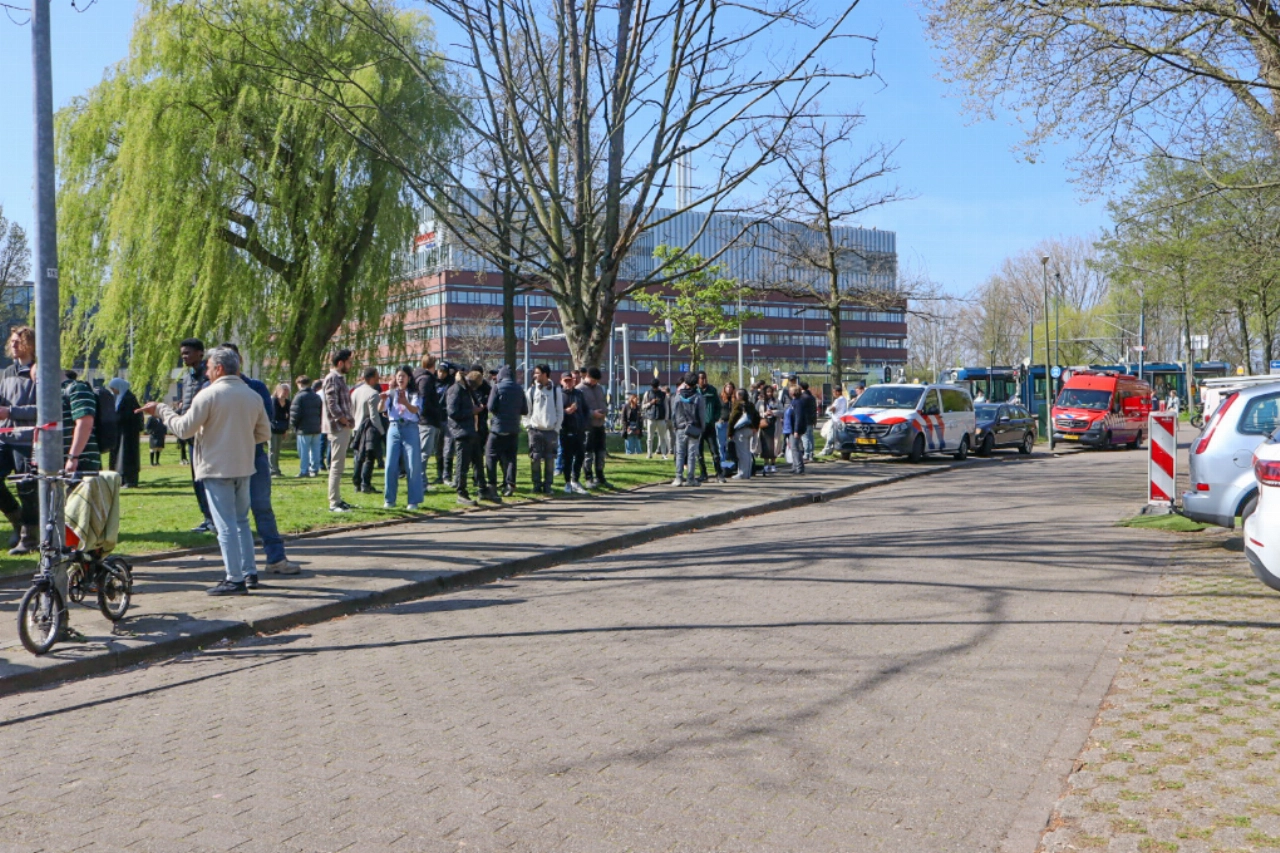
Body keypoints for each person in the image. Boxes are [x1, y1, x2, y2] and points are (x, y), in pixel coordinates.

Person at [141, 346, 271, 595]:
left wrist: (162, 410)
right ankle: (249, 572)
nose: (207, 372)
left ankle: (234, 578)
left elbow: (184, 429)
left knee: (225, 525)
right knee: (242, 521)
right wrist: (239, 441)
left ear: (219, 368)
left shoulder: (208, 395)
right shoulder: (252, 395)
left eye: (209, 367)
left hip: (215, 467)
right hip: (244, 466)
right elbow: (264, 433)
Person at [220, 343, 302, 577]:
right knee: (230, 516)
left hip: (254, 454)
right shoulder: (211, 389)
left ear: (240, 360)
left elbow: (264, 420)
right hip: (225, 458)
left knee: (261, 506)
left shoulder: (255, 387)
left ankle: (275, 558)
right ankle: (237, 568)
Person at [0, 326, 39, 553]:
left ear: (31, 344)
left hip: (28, 440)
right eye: (12, 341)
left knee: (27, 489)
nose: (13, 344)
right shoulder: (7, 372)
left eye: (19, 341)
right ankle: (17, 521)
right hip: (4, 438)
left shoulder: (39, 371)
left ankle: (29, 539)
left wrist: (11, 412)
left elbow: (46, 408)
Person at [177, 338, 214, 533]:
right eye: (182, 353)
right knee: (196, 479)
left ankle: (214, 517)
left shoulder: (209, 376)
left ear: (200, 353)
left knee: (208, 477)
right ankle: (207, 517)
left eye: (188, 353)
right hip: (191, 435)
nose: (184, 356)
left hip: (206, 435)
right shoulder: (187, 377)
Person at [380, 365, 424, 510]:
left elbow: (415, 410)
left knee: (413, 465)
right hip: (394, 428)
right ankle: (389, 500)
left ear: (409, 378)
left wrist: (405, 402)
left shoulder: (414, 394)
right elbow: (381, 409)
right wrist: (382, 401)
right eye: (398, 376)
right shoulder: (391, 393)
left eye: (403, 376)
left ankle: (413, 501)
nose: (400, 378)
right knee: (390, 465)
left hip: (410, 428)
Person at [321, 349, 356, 513]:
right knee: (336, 465)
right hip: (338, 428)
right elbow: (332, 403)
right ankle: (334, 502)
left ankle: (337, 499)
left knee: (339, 465)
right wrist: (344, 420)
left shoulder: (339, 378)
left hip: (342, 427)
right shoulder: (332, 378)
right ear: (340, 363)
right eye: (349, 362)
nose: (351, 365)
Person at [486, 365, 528, 498]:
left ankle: (492, 484)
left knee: (491, 455)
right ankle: (510, 484)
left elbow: (490, 407)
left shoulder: (497, 387)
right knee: (511, 458)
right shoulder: (519, 389)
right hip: (513, 428)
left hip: (498, 428)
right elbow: (525, 410)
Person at [446, 367, 484, 506]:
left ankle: (483, 489)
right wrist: (471, 411)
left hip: (470, 430)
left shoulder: (466, 390)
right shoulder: (456, 390)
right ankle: (461, 492)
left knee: (478, 462)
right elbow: (452, 412)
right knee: (462, 464)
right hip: (461, 431)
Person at [525, 364, 562, 495]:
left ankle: (548, 486)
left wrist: (556, 429)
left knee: (550, 460)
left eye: (538, 373)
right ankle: (536, 485)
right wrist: (528, 427)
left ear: (545, 374)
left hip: (551, 431)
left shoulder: (556, 391)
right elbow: (527, 411)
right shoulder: (531, 390)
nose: (535, 375)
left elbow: (560, 412)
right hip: (535, 430)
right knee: (535, 459)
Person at [351, 367, 384, 495]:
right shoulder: (373, 393)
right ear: (372, 378)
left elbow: (352, 411)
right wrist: (381, 431)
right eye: (377, 375)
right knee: (369, 457)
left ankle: (357, 483)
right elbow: (374, 416)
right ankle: (366, 484)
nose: (378, 378)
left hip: (356, 427)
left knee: (358, 457)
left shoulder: (355, 392)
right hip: (368, 428)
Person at [106, 377, 143, 487]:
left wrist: (116, 418)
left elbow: (132, 416)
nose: (113, 391)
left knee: (127, 457)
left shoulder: (129, 398)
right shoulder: (119, 398)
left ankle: (129, 480)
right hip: (120, 433)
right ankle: (119, 479)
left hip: (128, 435)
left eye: (114, 388)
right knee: (118, 457)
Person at [670, 374, 705, 487]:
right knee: (692, 454)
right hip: (694, 428)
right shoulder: (698, 397)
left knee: (680, 453)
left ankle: (678, 478)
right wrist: (702, 428)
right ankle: (690, 478)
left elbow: (674, 413)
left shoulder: (678, 396)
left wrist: (675, 425)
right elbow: (702, 415)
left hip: (680, 427)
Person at [576, 367, 609, 488]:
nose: (595, 383)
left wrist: (604, 410)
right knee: (588, 452)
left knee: (601, 451)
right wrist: (592, 413)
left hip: (600, 424)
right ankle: (588, 477)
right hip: (587, 426)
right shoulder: (579, 389)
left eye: (597, 381)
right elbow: (579, 408)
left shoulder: (599, 388)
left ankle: (600, 476)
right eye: (593, 380)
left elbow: (603, 401)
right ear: (588, 377)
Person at [559, 372, 589, 494]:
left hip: (579, 430)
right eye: (565, 381)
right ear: (561, 382)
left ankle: (575, 480)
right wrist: (565, 412)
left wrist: (584, 423)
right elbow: (555, 411)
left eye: (570, 380)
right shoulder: (559, 395)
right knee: (567, 457)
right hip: (566, 430)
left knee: (580, 455)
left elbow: (586, 410)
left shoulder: (579, 394)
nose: (568, 383)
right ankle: (567, 482)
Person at [414, 355, 443, 482]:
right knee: (424, 452)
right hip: (427, 420)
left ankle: (420, 480)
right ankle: (421, 481)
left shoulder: (420, 377)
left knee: (423, 452)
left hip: (424, 419)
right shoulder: (426, 379)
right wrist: (434, 411)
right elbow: (424, 400)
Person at [289, 376, 323, 477]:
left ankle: (304, 470)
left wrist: (293, 425)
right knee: (315, 449)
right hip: (316, 427)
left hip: (303, 428)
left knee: (303, 451)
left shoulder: (299, 397)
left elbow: (295, 414)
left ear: (299, 384)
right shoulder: (316, 396)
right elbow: (321, 412)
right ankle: (315, 469)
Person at [695, 371, 724, 482]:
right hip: (698, 426)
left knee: (715, 451)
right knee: (699, 452)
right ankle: (703, 473)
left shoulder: (712, 390)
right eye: (702, 378)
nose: (704, 380)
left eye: (705, 378)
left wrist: (715, 418)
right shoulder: (695, 391)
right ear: (697, 380)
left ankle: (719, 473)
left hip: (710, 425)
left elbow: (718, 406)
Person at [729, 388, 761, 478]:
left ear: (739, 396)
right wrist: (755, 427)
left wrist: (730, 433)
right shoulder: (750, 404)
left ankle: (742, 473)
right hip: (750, 430)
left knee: (741, 453)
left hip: (740, 430)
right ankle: (747, 473)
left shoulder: (738, 405)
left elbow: (732, 419)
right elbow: (757, 416)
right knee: (747, 452)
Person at [434, 360, 454, 484]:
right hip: (436, 418)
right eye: (440, 371)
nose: (441, 374)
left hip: (447, 419)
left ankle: (447, 475)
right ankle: (439, 474)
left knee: (448, 447)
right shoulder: (433, 382)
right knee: (438, 448)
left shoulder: (451, 383)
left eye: (444, 372)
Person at [785, 384, 811, 474]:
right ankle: (795, 466)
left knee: (795, 448)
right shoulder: (794, 401)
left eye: (790, 390)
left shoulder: (798, 402)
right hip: (790, 428)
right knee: (793, 448)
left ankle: (799, 467)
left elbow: (798, 417)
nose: (789, 392)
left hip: (794, 429)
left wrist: (796, 430)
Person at [757, 384, 780, 475]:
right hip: (764, 426)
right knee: (765, 446)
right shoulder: (760, 402)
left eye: (771, 392)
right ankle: (766, 464)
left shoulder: (776, 401)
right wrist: (764, 414)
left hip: (774, 425)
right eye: (767, 392)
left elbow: (782, 411)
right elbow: (756, 412)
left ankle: (773, 464)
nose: (769, 394)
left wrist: (773, 412)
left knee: (774, 445)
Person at [268, 383, 291, 476]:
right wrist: (284, 416)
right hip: (272, 428)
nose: (285, 392)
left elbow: (288, 416)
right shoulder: (273, 400)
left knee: (277, 450)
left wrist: (286, 429)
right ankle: (272, 469)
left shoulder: (288, 402)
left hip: (281, 428)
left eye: (287, 390)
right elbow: (274, 415)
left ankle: (276, 468)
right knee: (272, 449)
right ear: (278, 391)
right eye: (283, 390)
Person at [643, 380, 669, 458]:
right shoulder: (647, 393)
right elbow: (643, 406)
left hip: (661, 418)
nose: (655, 388)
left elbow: (666, 406)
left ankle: (663, 454)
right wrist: (651, 403)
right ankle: (649, 454)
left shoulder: (663, 394)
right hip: (651, 418)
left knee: (662, 437)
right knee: (650, 438)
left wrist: (666, 418)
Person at [821, 385, 848, 456]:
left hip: (835, 420)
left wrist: (828, 409)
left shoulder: (838, 400)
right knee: (837, 437)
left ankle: (826, 451)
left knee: (830, 436)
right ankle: (836, 449)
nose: (833, 393)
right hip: (841, 420)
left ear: (837, 392)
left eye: (834, 392)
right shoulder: (844, 399)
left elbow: (833, 409)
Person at [718, 381, 737, 474]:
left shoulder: (735, 399)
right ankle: (722, 465)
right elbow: (716, 408)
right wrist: (718, 418)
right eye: (727, 387)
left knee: (731, 444)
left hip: (732, 424)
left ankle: (732, 464)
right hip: (722, 423)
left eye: (730, 387)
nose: (729, 389)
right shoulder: (720, 398)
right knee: (721, 444)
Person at [799, 381, 818, 461]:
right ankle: (811, 453)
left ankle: (806, 454)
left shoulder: (803, 397)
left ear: (801, 387)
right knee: (810, 436)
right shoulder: (812, 397)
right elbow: (814, 409)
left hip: (805, 419)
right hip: (811, 419)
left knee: (805, 437)